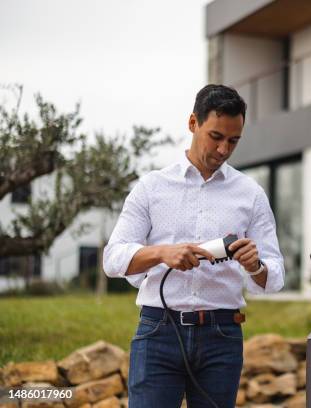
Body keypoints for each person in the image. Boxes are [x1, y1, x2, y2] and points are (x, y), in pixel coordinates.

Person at [103, 84, 285, 408]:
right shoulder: (151, 188)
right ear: (193, 124)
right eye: (216, 137)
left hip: (223, 336)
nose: (224, 149)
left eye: (233, 141)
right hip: (158, 330)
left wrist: (255, 266)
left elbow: (274, 276)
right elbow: (113, 258)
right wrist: (162, 253)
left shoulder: (251, 194)